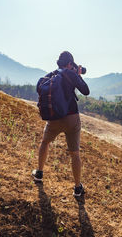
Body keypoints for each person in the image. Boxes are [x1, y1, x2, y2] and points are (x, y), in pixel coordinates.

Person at [32, 51, 90, 197]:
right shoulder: (71, 74)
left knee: (45, 142)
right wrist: (77, 75)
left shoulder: (52, 74)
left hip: (54, 118)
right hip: (71, 118)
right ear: (70, 64)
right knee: (74, 153)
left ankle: (39, 173)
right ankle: (77, 188)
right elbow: (86, 91)